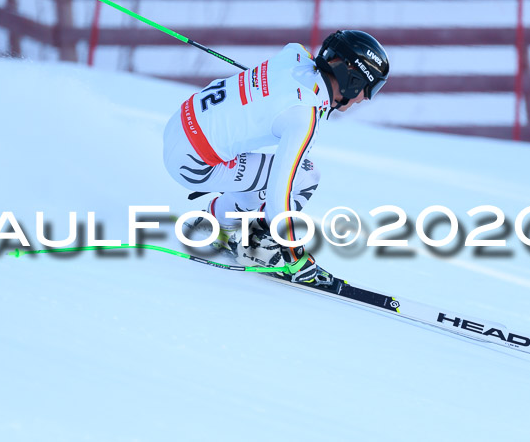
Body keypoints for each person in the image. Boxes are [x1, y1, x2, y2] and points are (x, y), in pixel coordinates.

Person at [163, 30, 389, 287]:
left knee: (261, 179)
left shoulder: (295, 54)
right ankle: (256, 244)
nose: (366, 99)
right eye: (370, 88)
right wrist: (294, 256)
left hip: (179, 126)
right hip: (194, 163)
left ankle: (221, 222)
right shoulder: (304, 117)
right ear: (354, 80)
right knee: (305, 176)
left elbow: (290, 80)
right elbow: (278, 197)